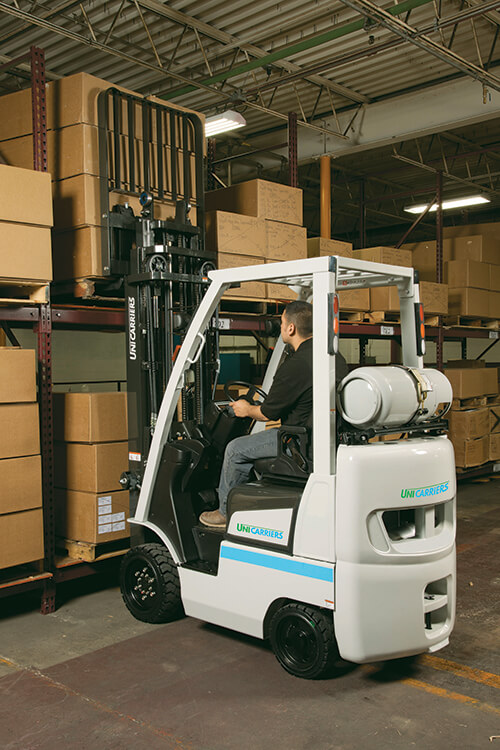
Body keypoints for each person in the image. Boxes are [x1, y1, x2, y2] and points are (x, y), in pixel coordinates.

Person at [199, 300, 347, 529]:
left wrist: (244, 409)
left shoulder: (296, 364)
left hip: (296, 442)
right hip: (322, 437)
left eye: (282, 323)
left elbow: (268, 413)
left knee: (234, 449)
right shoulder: (334, 357)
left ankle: (225, 512)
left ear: (291, 328)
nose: (280, 328)